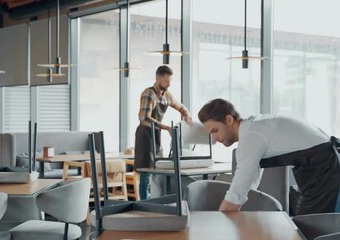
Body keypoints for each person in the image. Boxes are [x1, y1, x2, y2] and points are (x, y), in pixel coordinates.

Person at [198, 98, 340, 215]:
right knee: (307, 228)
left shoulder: (250, 136)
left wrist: (219, 222)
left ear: (229, 120)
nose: (215, 139)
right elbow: (250, 181)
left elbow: (237, 192)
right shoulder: (253, 127)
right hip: (324, 166)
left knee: (309, 229)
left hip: (326, 171)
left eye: (215, 131)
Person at [134, 65, 192, 200]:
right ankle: (145, 204)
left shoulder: (167, 95)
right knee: (146, 173)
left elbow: (181, 107)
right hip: (145, 135)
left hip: (156, 135)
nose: (168, 84)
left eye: (170, 81)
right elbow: (144, 118)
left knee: (157, 169)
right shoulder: (148, 94)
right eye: (166, 81)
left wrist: (187, 115)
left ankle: (157, 202)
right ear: (158, 78)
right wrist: (167, 128)